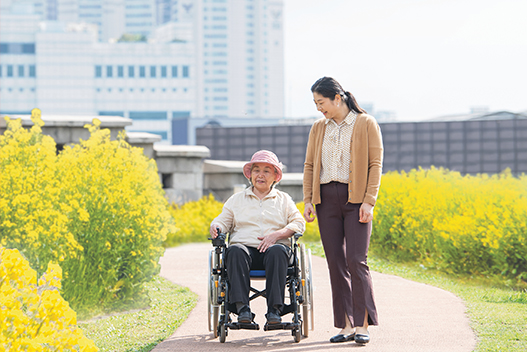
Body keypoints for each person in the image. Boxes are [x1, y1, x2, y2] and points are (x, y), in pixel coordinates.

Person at [303, 77, 383, 344]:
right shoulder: (318, 128)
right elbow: (310, 166)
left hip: (356, 199)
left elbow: (375, 164)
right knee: (335, 262)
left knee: (357, 260)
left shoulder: (365, 123)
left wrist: (369, 201)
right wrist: (308, 200)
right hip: (326, 199)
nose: (318, 108)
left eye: (321, 102)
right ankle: (346, 324)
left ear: (337, 98)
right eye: (315, 103)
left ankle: (362, 325)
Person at [210, 150, 305, 325]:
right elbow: (222, 221)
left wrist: (278, 235)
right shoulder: (236, 200)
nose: (260, 175)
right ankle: (242, 309)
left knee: (277, 251)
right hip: (245, 253)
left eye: (266, 171)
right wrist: (216, 226)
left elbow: (299, 223)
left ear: (276, 176)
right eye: (256, 170)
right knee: (235, 250)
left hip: (276, 253)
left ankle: (275, 311)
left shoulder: (284, 199)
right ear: (250, 174)